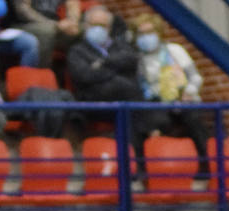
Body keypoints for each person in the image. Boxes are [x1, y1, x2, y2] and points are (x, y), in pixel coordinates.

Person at [67, 4, 170, 172]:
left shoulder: (119, 46)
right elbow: (84, 76)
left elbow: (131, 60)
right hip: (93, 101)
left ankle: (133, 167)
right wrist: (115, 70)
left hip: (124, 101)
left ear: (109, 27)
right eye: (95, 25)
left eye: (103, 26)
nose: (99, 30)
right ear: (86, 26)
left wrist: (103, 65)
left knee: (129, 113)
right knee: (128, 91)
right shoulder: (77, 51)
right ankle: (151, 132)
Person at [131, 12, 210, 177]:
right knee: (146, 122)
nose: (146, 37)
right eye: (141, 33)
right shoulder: (136, 58)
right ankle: (150, 171)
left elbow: (195, 77)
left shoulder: (174, 50)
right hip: (155, 103)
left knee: (194, 120)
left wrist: (189, 92)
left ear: (159, 33)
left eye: (150, 32)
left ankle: (206, 167)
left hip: (182, 100)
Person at [6, 0, 79, 68]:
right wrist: (54, 24)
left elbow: (72, 2)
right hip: (23, 24)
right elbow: (22, 10)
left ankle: (77, 78)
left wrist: (72, 22)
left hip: (53, 24)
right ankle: (40, 74)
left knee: (80, 32)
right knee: (47, 31)